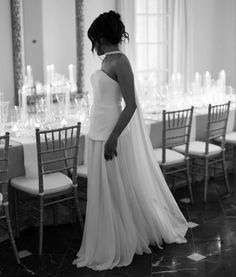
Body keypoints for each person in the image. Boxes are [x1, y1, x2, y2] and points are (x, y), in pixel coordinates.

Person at [73, 10, 188, 271]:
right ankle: (110, 235)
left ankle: (121, 238)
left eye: (95, 39)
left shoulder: (120, 61)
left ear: (102, 37)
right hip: (97, 130)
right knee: (106, 189)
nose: (94, 46)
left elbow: (132, 104)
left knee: (116, 187)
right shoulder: (106, 62)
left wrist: (113, 136)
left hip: (112, 133)